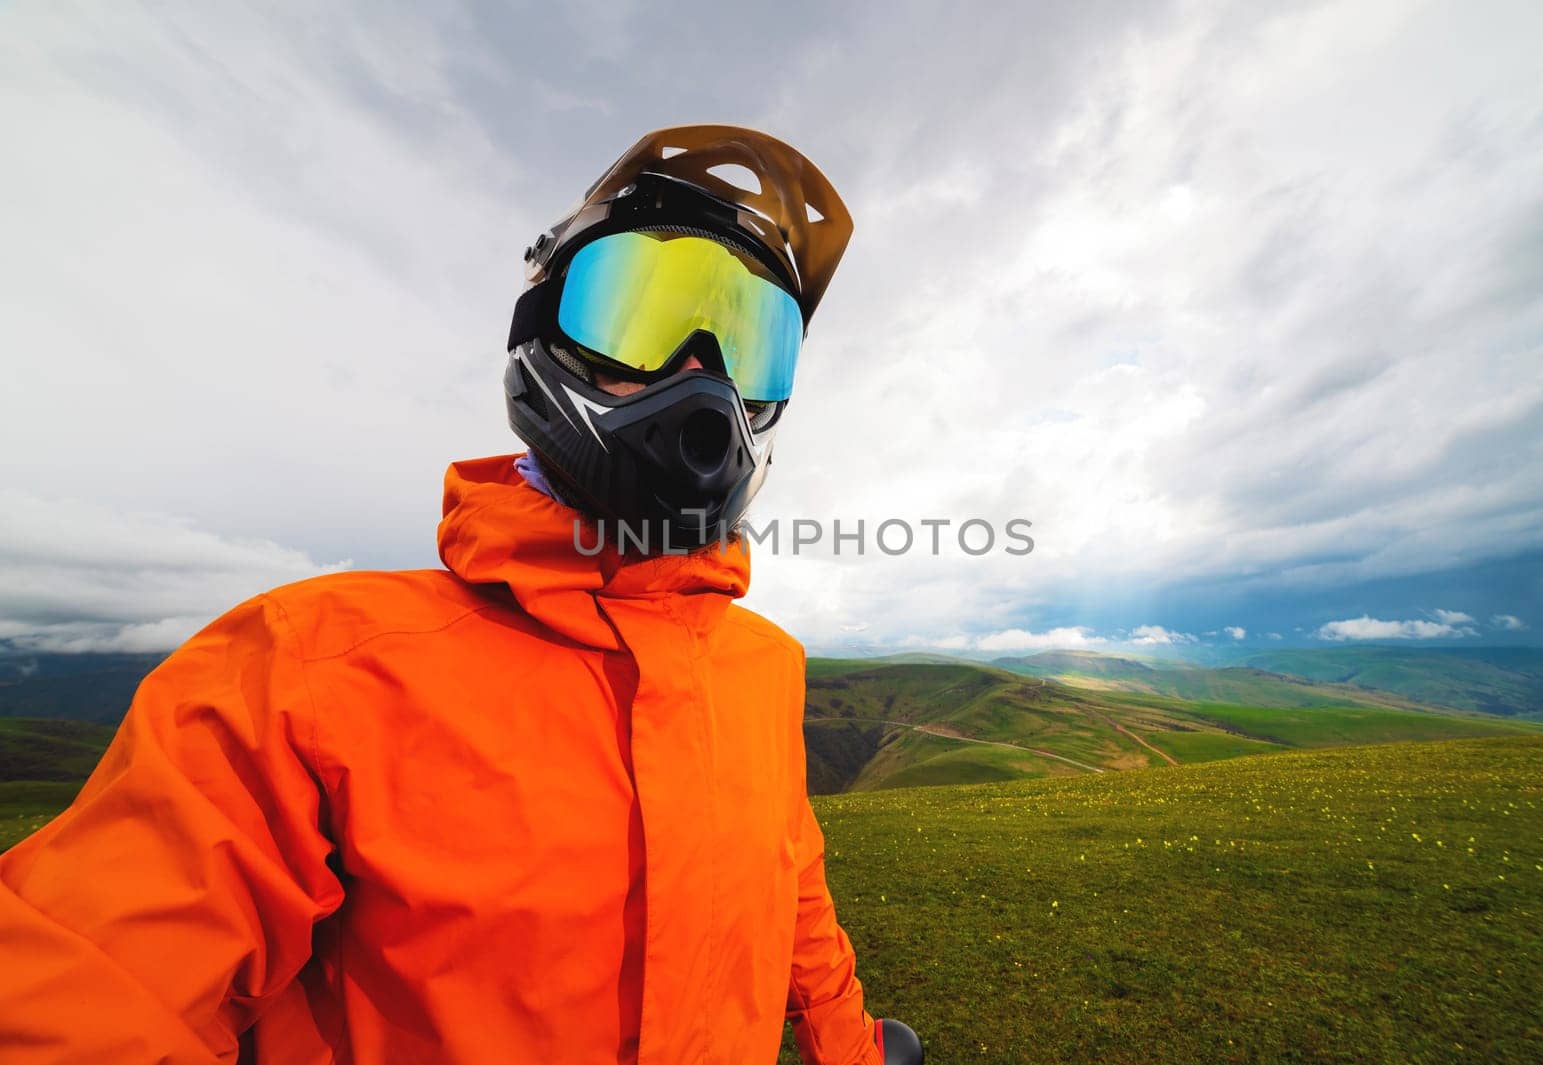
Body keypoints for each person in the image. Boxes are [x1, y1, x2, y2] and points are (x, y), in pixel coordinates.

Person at [0, 125, 896, 1064]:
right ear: (546, 326)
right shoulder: (306, 667)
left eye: (751, 343)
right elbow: (92, 984)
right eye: (642, 311)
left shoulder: (763, 665)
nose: (697, 374)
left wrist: (853, 1045)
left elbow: (790, 882)